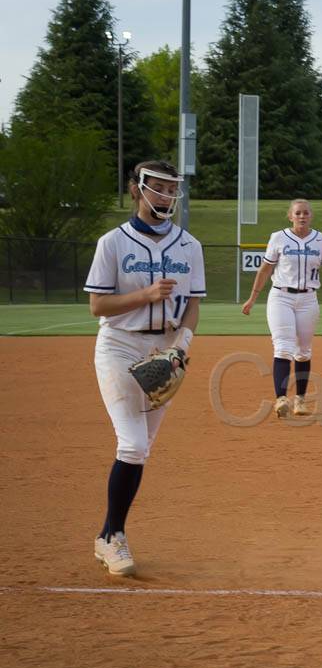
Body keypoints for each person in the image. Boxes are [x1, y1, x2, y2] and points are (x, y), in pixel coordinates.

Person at [84, 160, 205, 576]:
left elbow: (192, 304)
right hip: (120, 346)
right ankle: (112, 536)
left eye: (172, 189)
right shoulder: (112, 243)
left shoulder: (189, 246)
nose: (166, 196)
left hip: (165, 350)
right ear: (137, 190)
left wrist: (182, 345)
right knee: (132, 444)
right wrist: (148, 295)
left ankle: (106, 535)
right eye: (157, 188)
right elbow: (98, 306)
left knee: (142, 449)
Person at [241, 199, 322, 418]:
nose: (302, 216)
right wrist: (252, 298)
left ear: (311, 216)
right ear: (290, 216)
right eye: (297, 213)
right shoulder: (278, 238)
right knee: (283, 347)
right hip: (280, 297)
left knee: (304, 351)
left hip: (308, 299)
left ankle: (300, 400)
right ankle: (280, 399)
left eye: (306, 213)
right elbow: (265, 269)